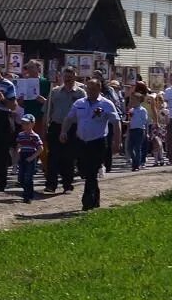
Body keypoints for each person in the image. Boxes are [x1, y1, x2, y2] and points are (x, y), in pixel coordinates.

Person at [62, 78, 122, 211]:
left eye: (93, 89)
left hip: (98, 142)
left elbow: (116, 123)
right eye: (88, 89)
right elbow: (69, 118)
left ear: (99, 89)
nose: (90, 92)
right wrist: (63, 132)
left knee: (91, 172)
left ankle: (87, 201)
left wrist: (117, 142)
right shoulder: (79, 103)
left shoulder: (106, 104)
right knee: (84, 170)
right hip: (82, 142)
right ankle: (95, 198)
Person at [44, 67, 85, 193]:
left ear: (75, 77)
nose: (67, 79)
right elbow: (47, 111)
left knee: (69, 157)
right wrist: (45, 127)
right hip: (56, 126)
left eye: (70, 76)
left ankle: (67, 184)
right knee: (53, 156)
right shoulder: (55, 92)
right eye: (66, 76)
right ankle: (51, 184)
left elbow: (84, 113)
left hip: (73, 128)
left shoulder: (80, 93)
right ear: (62, 77)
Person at [14, 114, 42, 203]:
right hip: (22, 156)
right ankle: (27, 191)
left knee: (28, 177)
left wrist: (32, 157)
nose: (24, 125)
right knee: (21, 177)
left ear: (32, 124)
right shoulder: (20, 135)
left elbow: (40, 148)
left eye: (27, 123)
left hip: (31, 156)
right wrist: (18, 151)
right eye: (23, 123)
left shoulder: (35, 136)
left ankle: (28, 196)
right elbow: (18, 145)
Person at [126, 86, 151, 171]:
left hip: (140, 130)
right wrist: (127, 124)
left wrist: (146, 132)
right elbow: (130, 119)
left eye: (134, 100)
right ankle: (135, 161)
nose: (132, 101)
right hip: (132, 130)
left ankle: (136, 164)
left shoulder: (142, 110)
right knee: (130, 148)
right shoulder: (131, 110)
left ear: (139, 101)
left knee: (137, 148)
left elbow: (145, 121)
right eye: (132, 100)